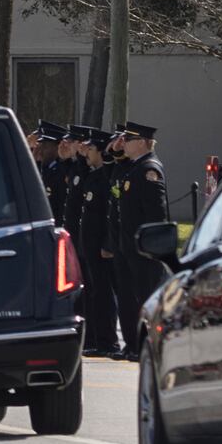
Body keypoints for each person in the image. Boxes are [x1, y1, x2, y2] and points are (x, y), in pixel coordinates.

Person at [92, 124, 169, 360]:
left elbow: (156, 215)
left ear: (143, 142)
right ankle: (132, 345)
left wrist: (150, 246)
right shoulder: (131, 168)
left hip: (142, 251)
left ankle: (144, 347)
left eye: (129, 140)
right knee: (127, 299)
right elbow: (109, 178)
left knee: (142, 300)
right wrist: (112, 153)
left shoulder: (149, 170)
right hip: (127, 248)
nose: (123, 143)